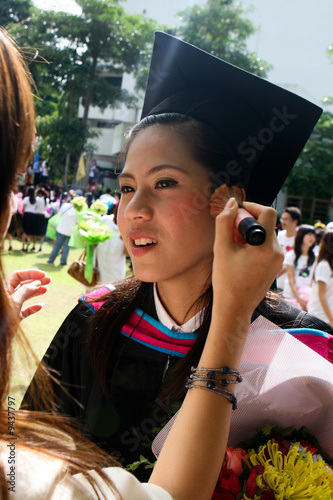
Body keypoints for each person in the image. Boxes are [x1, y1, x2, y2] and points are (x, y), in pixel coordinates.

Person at [0, 27, 307, 500]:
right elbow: (20, 454)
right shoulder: (94, 319)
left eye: (164, 183)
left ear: (230, 203)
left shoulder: (297, 349)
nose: (133, 210)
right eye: (125, 187)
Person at [282, 224, 317, 310]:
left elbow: (313, 279)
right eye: (309, 235)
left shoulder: (315, 257)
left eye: (313, 235)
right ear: (301, 236)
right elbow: (291, 279)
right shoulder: (291, 255)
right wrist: (299, 300)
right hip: (290, 296)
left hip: (306, 297)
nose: (312, 238)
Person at [96, 205, 128, 284]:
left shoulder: (128, 228)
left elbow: (127, 254)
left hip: (115, 270)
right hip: (99, 266)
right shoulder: (105, 220)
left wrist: (126, 240)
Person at [308, 230, 333, 326]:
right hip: (320, 317)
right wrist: (331, 320)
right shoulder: (324, 266)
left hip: (327, 317)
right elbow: (321, 295)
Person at [47, 193, 77, 266]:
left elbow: (59, 214)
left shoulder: (65, 206)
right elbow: (78, 222)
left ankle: (51, 259)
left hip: (61, 229)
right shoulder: (77, 211)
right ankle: (63, 261)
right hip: (70, 231)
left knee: (57, 245)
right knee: (67, 246)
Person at [276, 206, 302, 289]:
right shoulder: (279, 235)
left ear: (295, 221)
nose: (283, 221)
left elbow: (292, 262)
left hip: (287, 283)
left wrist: (276, 276)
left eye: (286, 219)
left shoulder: (299, 239)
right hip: (274, 278)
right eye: (282, 218)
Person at [21, 186, 37, 251]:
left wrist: (22, 215)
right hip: (33, 216)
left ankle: (23, 247)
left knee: (24, 231)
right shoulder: (35, 200)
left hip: (27, 215)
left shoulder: (26, 198)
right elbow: (36, 208)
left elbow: (23, 208)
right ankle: (27, 247)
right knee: (29, 232)